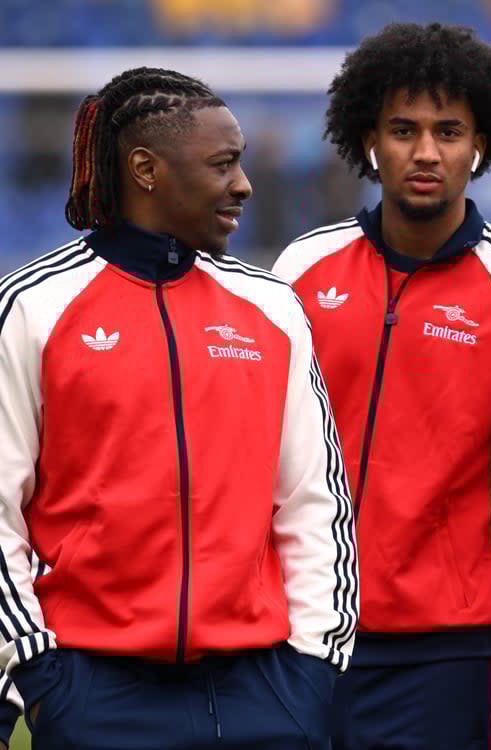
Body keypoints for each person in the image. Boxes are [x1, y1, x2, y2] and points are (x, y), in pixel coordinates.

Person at [0, 67, 358, 749]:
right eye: (223, 165)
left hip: (266, 695)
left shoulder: (273, 310)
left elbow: (316, 502)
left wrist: (312, 672)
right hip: (94, 697)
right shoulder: (33, 309)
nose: (244, 185)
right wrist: (42, 678)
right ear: (146, 169)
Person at [270, 24, 491, 750]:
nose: (426, 152)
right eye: (403, 129)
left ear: (482, 145)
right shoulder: (301, 271)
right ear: (369, 136)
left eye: (448, 131)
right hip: (298, 634)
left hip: (452, 653)